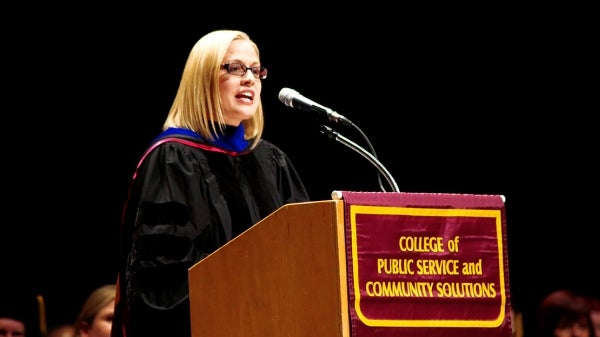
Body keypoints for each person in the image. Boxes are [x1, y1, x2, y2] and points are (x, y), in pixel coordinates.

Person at [111, 29, 310, 337]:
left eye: (256, 70)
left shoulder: (273, 161)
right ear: (202, 78)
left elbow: (306, 252)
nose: (249, 79)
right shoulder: (172, 159)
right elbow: (161, 280)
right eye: (234, 68)